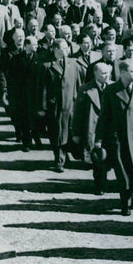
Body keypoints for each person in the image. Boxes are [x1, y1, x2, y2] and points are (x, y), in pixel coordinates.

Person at [95, 59, 133, 216]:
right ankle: (125, 202)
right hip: (119, 140)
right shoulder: (111, 90)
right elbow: (104, 117)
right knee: (123, 173)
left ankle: (131, 195)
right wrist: (98, 139)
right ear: (123, 73)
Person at [40, 38, 81, 172]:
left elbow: (78, 84)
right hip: (55, 105)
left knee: (69, 130)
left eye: (67, 48)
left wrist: (78, 102)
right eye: (63, 48)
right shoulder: (47, 66)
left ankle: (66, 155)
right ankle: (59, 159)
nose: (66, 51)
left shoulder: (73, 64)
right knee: (56, 132)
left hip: (70, 104)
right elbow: (43, 88)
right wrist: (43, 106)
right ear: (56, 50)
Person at [72, 62, 112, 194]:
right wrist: (76, 133)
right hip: (93, 129)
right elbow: (78, 113)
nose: (106, 76)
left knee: (110, 158)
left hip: (110, 129)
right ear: (95, 73)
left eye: (108, 73)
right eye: (103, 74)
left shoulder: (113, 87)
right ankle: (99, 185)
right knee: (97, 158)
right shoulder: (85, 89)